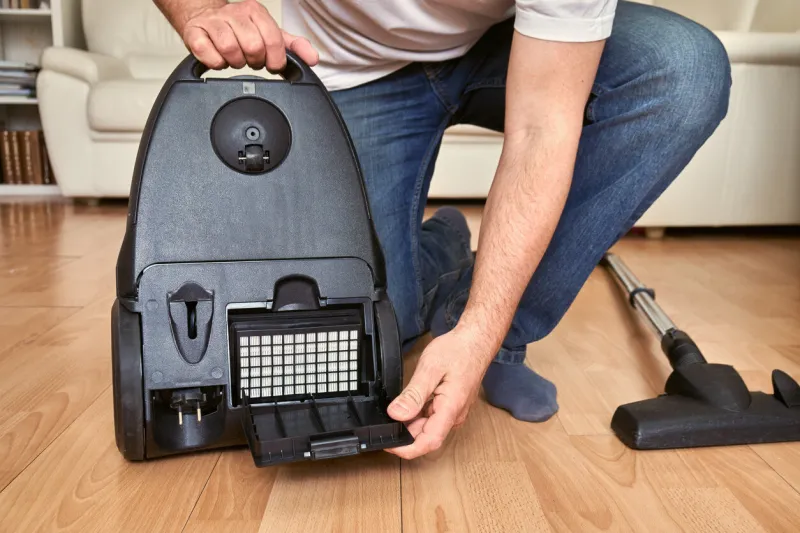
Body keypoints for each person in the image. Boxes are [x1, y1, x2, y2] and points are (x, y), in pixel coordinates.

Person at [154, 0, 731, 459]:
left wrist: (481, 330)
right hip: (355, 67)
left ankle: (504, 334)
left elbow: (541, 130)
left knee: (683, 71)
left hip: (507, 44)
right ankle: (440, 249)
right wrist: (200, 8)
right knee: (381, 336)